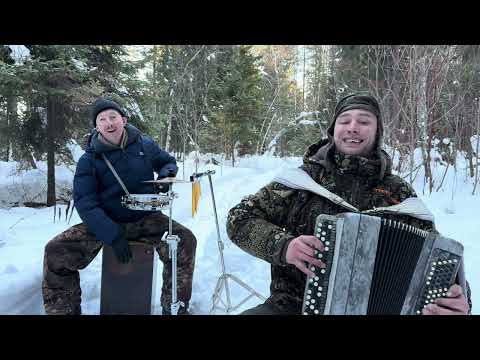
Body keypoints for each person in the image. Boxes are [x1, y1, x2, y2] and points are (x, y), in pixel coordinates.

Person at [226, 93, 472, 315]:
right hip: (292, 305)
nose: (353, 128)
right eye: (344, 121)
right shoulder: (302, 181)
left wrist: (460, 301)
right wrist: (284, 245)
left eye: (364, 121)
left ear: (377, 133)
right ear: (333, 130)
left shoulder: (398, 193)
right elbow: (239, 219)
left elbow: (439, 259)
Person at [42, 98, 197, 315]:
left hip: (146, 219)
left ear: (123, 120)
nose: (109, 123)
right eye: (102, 120)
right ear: (97, 127)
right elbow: (85, 202)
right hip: (107, 221)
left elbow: (167, 162)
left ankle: (174, 307)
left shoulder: (145, 145)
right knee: (55, 251)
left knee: (184, 241)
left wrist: (165, 176)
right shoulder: (89, 160)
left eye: (113, 117)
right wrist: (112, 235)